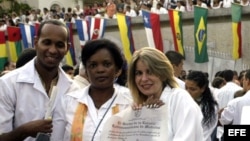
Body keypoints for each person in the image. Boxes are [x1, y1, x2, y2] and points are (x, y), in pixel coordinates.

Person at [0, 19, 79, 141]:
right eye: (47, 43)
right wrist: (24, 131)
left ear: (67, 48)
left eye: (59, 45)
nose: (52, 50)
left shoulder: (74, 89)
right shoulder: (8, 84)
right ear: (36, 43)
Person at [52, 39, 132, 141]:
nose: (100, 70)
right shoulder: (68, 102)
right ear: (86, 70)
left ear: (118, 70)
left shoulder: (131, 102)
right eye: (93, 65)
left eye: (107, 64)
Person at [127, 47, 204, 141]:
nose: (144, 79)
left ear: (163, 74)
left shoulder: (179, 99)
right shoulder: (135, 107)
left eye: (150, 72)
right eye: (138, 73)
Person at [185, 71, 219, 141]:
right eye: (186, 88)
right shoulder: (182, 100)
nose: (187, 92)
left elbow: (204, 133)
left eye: (192, 89)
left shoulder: (210, 108)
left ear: (202, 89)